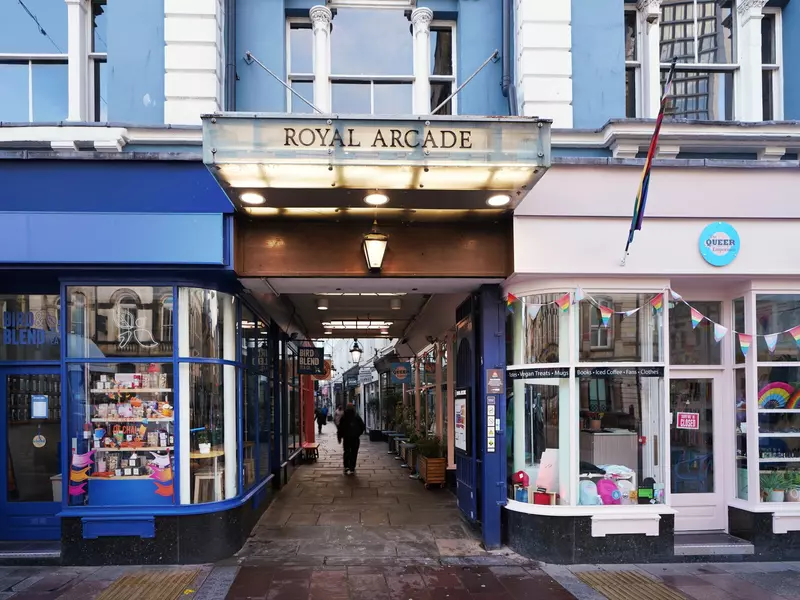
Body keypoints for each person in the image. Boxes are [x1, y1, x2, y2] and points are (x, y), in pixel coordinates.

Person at [337, 403, 365, 475]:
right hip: (355, 438)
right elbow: (362, 426)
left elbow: (340, 428)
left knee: (346, 451)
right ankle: (352, 467)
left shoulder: (344, 417)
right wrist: (358, 434)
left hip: (346, 438)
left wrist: (339, 437)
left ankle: (346, 466)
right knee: (354, 452)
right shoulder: (356, 416)